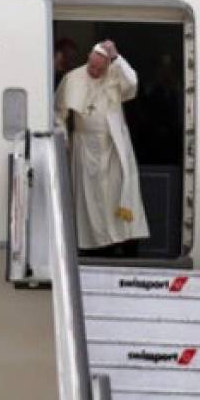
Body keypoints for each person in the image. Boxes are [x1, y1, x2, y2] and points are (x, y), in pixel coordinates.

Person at [55, 40, 149, 251]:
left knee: (116, 194)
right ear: (88, 58)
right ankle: (92, 244)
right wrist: (64, 139)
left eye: (100, 68)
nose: (95, 71)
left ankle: (121, 243)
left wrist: (116, 56)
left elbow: (132, 84)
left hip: (114, 144)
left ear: (108, 65)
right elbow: (58, 113)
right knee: (90, 199)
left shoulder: (115, 74)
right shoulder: (72, 79)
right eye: (92, 66)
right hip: (84, 147)